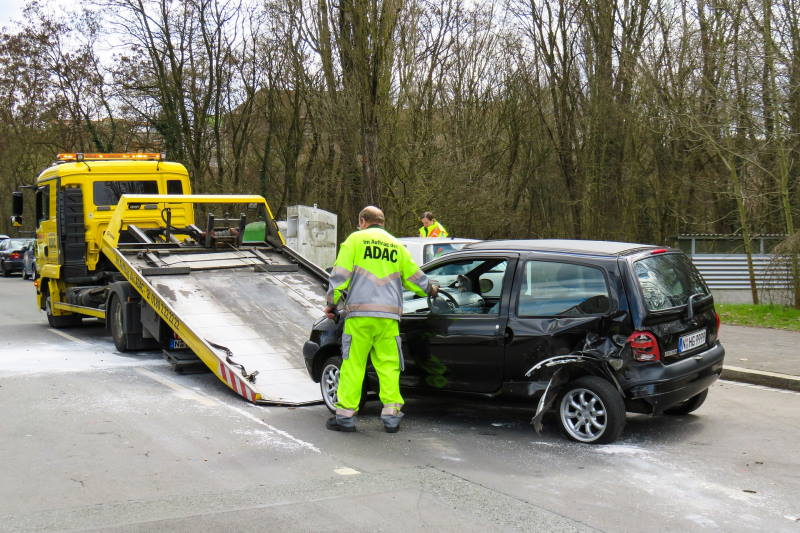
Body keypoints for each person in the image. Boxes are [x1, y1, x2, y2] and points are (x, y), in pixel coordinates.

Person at [324, 206, 438, 433]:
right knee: (389, 366)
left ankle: (345, 416)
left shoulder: (355, 241)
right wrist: (431, 289)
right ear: (383, 222)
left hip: (360, 316)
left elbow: (340, 277)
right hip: (388, 318)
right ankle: (391, 416)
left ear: (363, 221)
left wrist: (331, 304)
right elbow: (415, 277)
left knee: (354, 365)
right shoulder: (397, 246)